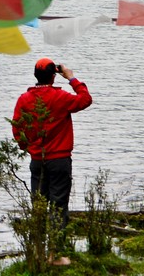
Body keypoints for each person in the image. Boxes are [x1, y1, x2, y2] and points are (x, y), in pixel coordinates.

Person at [11, 58, 93, 257]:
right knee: (58, 205)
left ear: (35, 76)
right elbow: (85, 100)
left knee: (38, 204)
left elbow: (17, 127)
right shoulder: (60, 97)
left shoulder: (24, 99)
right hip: (60, 160)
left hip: (37, 159)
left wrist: (28, 147)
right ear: (54, 76)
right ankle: (55, 254)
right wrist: (72, 78)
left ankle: (37, 252)